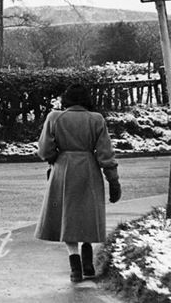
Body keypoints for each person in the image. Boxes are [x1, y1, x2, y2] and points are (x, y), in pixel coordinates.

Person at [34, 83, 121, 283]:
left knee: (67, 216)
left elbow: (44, 150)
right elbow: (106, 154)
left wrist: (55, 156)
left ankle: (75, 266)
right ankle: (88, 261)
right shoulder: (96, 120)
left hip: (63, 170)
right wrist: (113, 181)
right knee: (87, 214)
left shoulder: (55, 117)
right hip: (89, 169)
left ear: (66, 100)